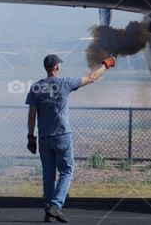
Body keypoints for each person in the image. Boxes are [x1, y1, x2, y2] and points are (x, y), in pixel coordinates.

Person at [26, 53, 116, 223]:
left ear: (46, 68)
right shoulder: (65, 83)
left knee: (48, 174)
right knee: (66, 171)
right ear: (57, 67)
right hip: (62, 135)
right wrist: (107, 64)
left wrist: (31, 137)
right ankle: (56, 206)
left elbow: (31, 116)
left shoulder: (36, 88)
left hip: (44, 137)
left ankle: (48, 210)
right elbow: (91, 77)